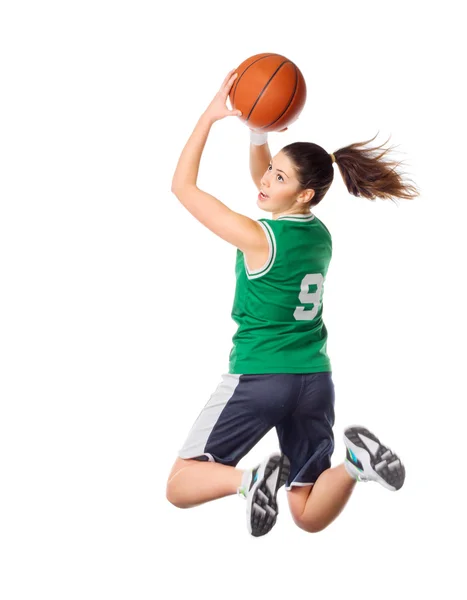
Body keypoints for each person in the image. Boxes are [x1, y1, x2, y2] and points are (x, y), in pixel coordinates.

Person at [166, 69, 418, 537]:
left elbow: (183, 188)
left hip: (262, 377)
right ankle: (356, 466)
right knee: (307, 511)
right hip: (314, 382)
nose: (263, 180)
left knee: (181, 483)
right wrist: (257, 133)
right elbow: (272, 191)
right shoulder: (318, 235)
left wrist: (210, 116)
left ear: (303, 193)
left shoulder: (258, 238)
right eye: (269, 170)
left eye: (277, 176)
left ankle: (250, 480)